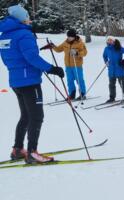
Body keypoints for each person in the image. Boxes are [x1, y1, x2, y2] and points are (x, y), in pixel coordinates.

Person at [1, 4, 65, 163]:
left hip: (16, 80)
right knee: (36, 116)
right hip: (29, 81)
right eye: (27, 17)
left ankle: (17, 149)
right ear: (22, 19)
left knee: (26, 115)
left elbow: (9, 58)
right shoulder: (24, 34)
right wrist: (51, 69)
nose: (29, 19)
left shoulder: (4, 35)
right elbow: (32, 58)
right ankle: (32, 152)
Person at [42, 29, 88, 100]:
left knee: (79, 80)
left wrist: (77, 53)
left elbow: (85, 53)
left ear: (74, 36)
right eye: (68, 36)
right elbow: (58, 49)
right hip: (68, 65)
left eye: (71, 37)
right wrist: (53, 46)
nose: (69, 38)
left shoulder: (80, 43)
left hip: (77, 65)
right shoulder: (65, 43)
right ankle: (72, 94)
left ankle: (82, 94)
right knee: (69, 80)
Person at [102, 37, 124, 103]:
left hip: (119, 68)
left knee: (122, 84)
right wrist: (106, 61)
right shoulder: (106, 49)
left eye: (111, 40)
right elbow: (104, 56)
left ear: (114, 41)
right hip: (111, 69)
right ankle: (112, 98)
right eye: (108, 40)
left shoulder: (119, 47)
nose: (109, 41)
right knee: (111, 84)